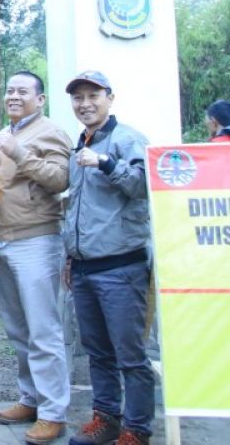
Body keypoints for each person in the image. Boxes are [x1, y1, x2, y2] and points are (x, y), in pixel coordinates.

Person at [64, 70, 154, 445]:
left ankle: (137, 430)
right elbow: (77, 210)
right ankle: (106, 421)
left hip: (122, 268)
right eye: (78, 97)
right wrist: (70, 258)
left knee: (130, 356)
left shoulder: (127, 138)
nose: (85, 104)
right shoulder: (77, 147)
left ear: (110, 98)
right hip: (85, 269)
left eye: (93, 96)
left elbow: (143, 186)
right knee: (97, 353)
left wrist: (105, 163)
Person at [0, 72, 71, 444]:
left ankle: (53, 412)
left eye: (23, 91)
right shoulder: (4, 134)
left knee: (43, 330)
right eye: (10, 90)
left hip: (37, 240)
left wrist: (19, 153)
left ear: (41, 99)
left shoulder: (49, 132)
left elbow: (59, 179)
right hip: (4, 241)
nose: (14, 96)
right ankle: (31, 398)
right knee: (18, 328)